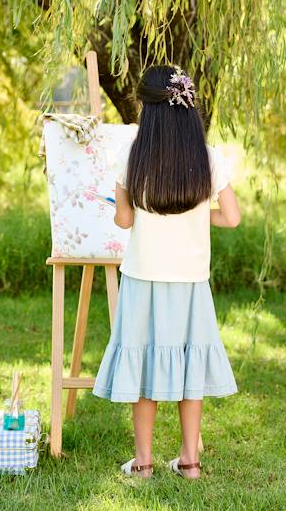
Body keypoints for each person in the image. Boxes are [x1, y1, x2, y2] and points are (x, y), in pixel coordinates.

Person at [92, 64, 240, 480]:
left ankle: (143, 463)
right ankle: (189, 462)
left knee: (144, 370)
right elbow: (230, 218)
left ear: (148, 109)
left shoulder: (131, 155)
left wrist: (136, 207)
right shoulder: (207, 158)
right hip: (191, 282)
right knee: (190, 369)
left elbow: (124, 221)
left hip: (143, 277)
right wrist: (194, 214)